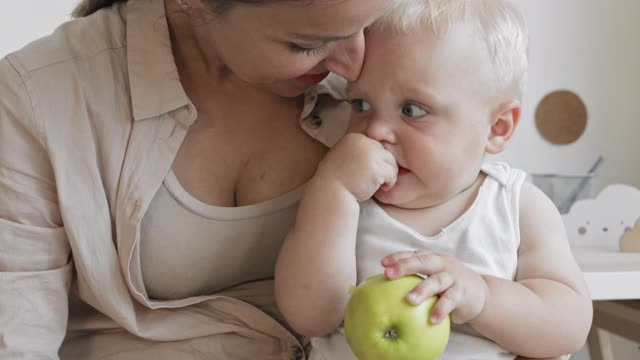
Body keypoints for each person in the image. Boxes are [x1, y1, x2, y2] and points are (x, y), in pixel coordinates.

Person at [0, 0, 395, 358]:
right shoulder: (37, 96)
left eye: (370, 22)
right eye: (308, 44)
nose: (356, 64)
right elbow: (19, 333)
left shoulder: (415, 45)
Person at [275, 0, 593, 359]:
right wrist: (333, 190)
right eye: (361, 105)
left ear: (497, 128)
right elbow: (309, 316)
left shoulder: (517, 207)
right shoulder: (347, 200)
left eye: (412, 110)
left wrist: (482, 297)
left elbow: (568, 327)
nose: (376, 130)